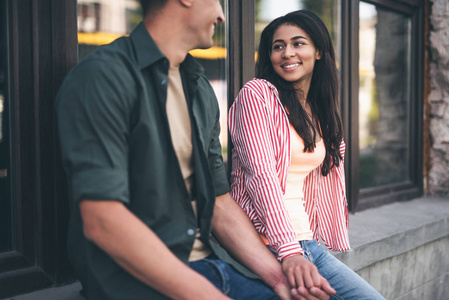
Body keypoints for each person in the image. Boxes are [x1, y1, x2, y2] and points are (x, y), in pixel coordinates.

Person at [56, 1, 337, 300]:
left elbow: (220, 203)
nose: (221, 14)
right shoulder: (104, 76)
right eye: (217, 1)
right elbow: (103, 221)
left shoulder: (199, 87)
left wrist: (278, 277)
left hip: (211, 266)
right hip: (136, 282)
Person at [229, 10, 386, 300]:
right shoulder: (258, 94)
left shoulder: (319, 110)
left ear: (318, 52)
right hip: (266, 244)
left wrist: (309, 242)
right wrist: (288, 250)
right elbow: (260, 176)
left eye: (298, 43)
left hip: (308, 245)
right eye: (278, 46)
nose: (287, 53)